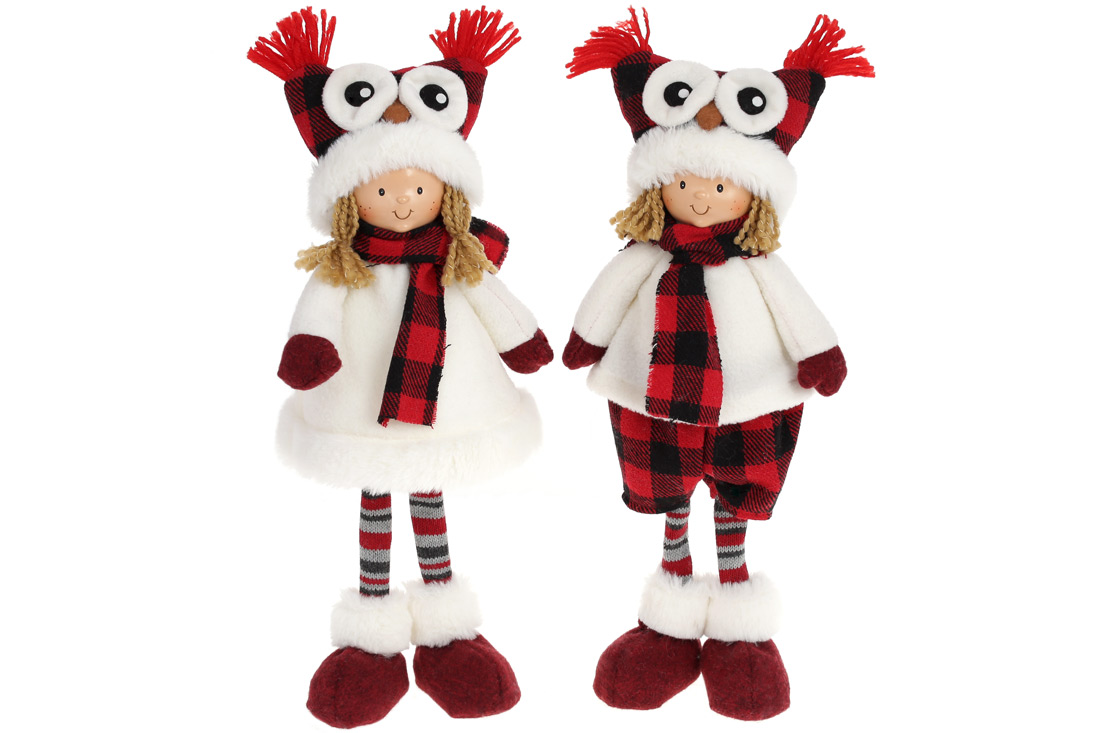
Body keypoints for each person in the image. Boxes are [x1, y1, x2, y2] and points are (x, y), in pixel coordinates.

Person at [564, 8, 873, 720]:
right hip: (652, 396)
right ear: (658, 188)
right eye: (685, 183)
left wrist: (820, 355)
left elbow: (796, 310)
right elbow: (607, 299)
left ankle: (737, 623)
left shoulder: (758, 263)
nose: (700, 196)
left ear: (753, 194)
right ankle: (668, 624)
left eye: (719, 185)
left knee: (734, 502)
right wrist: (585, 341)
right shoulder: (645, 256)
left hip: (750, 397)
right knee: (672, 503)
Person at [250, 8, 549, 726]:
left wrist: (525, 344)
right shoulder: (343, 266)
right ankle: (373, 635)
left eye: (417, 187)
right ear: (349, 199)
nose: (402, 200)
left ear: (447, 191)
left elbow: (498, 305)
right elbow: (316, 311)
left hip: (448, 407)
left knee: (429, 497)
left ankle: (445, 631)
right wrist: (308, 348)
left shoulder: (459, 258)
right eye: (381, 190)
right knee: (377, 502)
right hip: (360, 408)